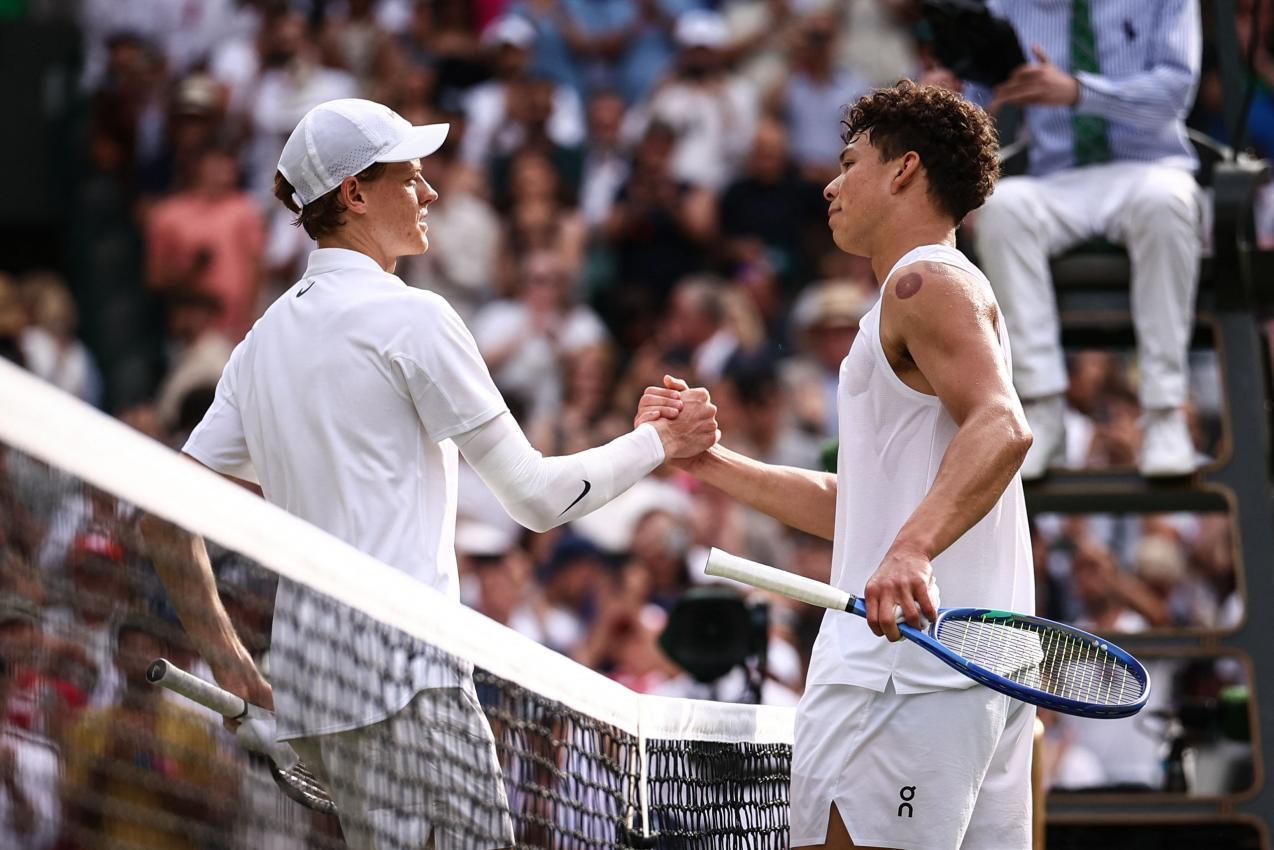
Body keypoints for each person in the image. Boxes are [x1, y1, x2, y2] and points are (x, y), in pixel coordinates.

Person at [140, 97, 718, 850]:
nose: (431, 193)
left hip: (316, 690)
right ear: (353, 193)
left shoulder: (260, 342)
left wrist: (229, 657)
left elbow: (161, 516)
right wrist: (656, 446)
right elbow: (537, 499)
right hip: (408, 676)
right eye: (411, 177)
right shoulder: (414, 318)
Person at [638, 81, 1036, 850]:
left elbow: (1003, 426)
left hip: (906, 675)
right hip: (964, 671)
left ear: (903, 170)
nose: (830, 181)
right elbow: (857, 508)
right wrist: (709, 461)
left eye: (849, 161)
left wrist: (911, 550)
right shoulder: (912, 299)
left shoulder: (926, 282)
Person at [943, 0, 1204, 478]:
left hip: (1149, 168)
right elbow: (983, 105)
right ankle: (1042, 412)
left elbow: (1176, 92)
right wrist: (957, 100)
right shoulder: (1006, 6)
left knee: (1167, 203)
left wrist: (1079, 92)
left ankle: (1166, 414)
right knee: (1003, 209)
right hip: (1056, 176)